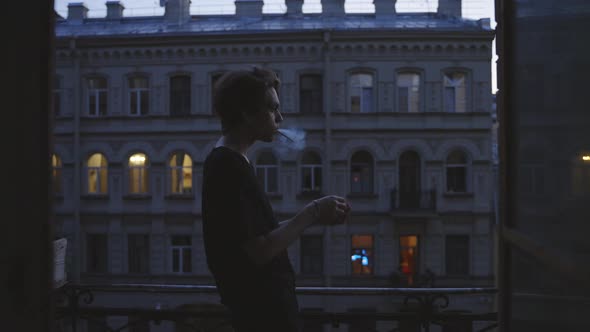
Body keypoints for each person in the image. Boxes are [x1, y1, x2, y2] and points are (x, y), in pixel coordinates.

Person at [201, 67, 351, 332]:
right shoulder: (228, 166)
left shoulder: (232, 161)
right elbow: (258, 250)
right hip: (264, 316)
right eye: (272, 109)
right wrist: (314, 212)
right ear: (246, 113)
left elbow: (251, 234)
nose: (279, 117)